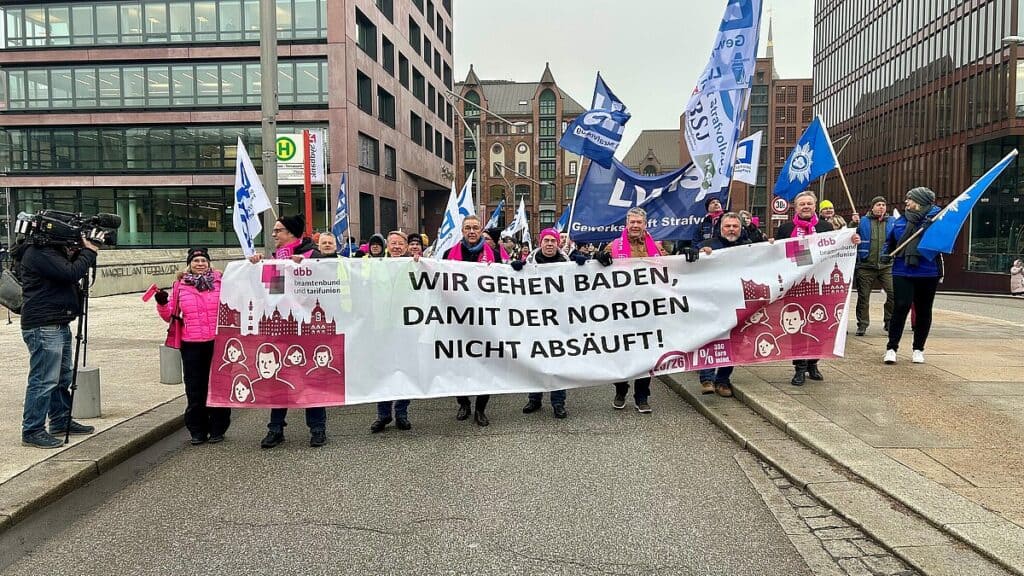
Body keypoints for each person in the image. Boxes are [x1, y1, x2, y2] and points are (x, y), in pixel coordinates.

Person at [248, 215, 326, 448]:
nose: (274, 235)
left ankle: (318, 428)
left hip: (308, 330)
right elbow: (271, 295)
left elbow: (329, 283)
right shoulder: (275, 260)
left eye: (278, 231)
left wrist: (308, 267)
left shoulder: (313, 255)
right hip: (283, 328)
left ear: (292, 233)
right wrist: (258, 268)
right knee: (278, 378)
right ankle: (275, 428)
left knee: (310, 379)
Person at [18, 234, 99, 448]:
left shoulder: (51, 252)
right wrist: (89, 251)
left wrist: (79, 252)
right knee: (44, 379)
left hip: (58, 321)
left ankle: (61, 420)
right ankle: (32, 429)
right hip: (44, 325)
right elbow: (70, 273)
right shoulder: (38, 252)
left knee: (62, 376)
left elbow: (67, 272)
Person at [774, 191, 860, 386]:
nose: (805, 206)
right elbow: (777, 254)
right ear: (795, 208)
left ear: (815, 207)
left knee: (817, 324)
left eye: (809, 204)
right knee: (797, 327)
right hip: (795, 285)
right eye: (802, 204)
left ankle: (813, 362)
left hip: (819, 284)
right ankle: (799, 367)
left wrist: (851, 241)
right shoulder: (786, 229)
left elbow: (837, 247)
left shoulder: (825, 227)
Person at [154, 247, 230, 445]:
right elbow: (170, 314)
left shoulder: (222, 282)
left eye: (203, 260)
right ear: (189, 264)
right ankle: (197, 430)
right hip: (191, 344)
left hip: (217, 342)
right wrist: (162, 303)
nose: (200, 264)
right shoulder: (180, 285)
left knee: (217, 386)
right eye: (196, 261)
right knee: (195, 388)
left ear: (209, 263)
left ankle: (218, 429)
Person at [514, 228, 583, 418]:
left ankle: (558, 402)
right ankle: (534, 398)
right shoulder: (528, 265)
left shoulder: (568, 264)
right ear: (540, 242)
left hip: (560, 323)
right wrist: (514, 271)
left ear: (558, 244)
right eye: (547, 240)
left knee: (558, 363)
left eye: (553, 240)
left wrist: (582, 268)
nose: (550, 244)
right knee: (535, 360)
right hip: (535, 323)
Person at [596, 207, 660, 414]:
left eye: (638, 222)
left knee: (646, 355)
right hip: (620, 310)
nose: (635, 226)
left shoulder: (657, 247)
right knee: (622, 354)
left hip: (648, 310)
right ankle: (621, 389)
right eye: (631, 222)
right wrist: (598, 258)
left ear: (645, 225)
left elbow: (673, 269)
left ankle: (642, 396)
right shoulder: (614, 246)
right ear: (626, 225)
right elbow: (596, 269)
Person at [443, 215, 500, 426]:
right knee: (458, 363)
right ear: (462, 231)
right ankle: (463, 402)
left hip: (484, 318)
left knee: (485, 363)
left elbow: (504, 282)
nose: (472, 231)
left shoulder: (493, 254)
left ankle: (480, 409)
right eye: (468, 228)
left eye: (476, 228)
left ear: (480, 230)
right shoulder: (449, 254)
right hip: (457, 318)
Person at [883, 187, 942, 365]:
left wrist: (929, 228)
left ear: (920, 201)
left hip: (927, 271)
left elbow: (941, 242)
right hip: (902, 270)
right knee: (901, 306)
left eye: (910, 199)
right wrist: (886, 253)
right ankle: (891, 348)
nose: (906, 202)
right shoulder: (900, 221)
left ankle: (918, 349)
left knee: (924, 310)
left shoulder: (936, 221)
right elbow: (890, 242)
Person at [696, 213, 751, 397]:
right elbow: (687, 261)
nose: (731, 230)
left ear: (740, 228)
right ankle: (707, 378)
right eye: (727, 226)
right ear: (721, 228)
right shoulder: (708, 245)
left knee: (733, 342)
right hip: (712, 302)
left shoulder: (749, 246)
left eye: (735, 226)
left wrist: (772, 247)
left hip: (737, 302)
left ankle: (723, 380)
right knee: (709, 338)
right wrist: (697, 254)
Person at [370, 231, 413, 433]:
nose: (396, 247)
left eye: (400, 243)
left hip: (406, 327)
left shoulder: (415, 265)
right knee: (383, 370)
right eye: (393, 243)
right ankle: (383, 414)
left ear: (406, 246)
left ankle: (402, 413)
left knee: (404, 369)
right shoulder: (375, 266)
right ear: (388, 246)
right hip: (381, 327)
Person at [853, 196, 895, 336]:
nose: (881, 207)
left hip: (886, 265)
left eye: (883, 204)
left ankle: (889, 321)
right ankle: (862, 324)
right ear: (872, 207)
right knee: (863, 297)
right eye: (878, 204)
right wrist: (852, 224)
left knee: (893, 293)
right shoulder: (862, 221)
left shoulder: (892, 222)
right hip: (866, 266)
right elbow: (849, 235)